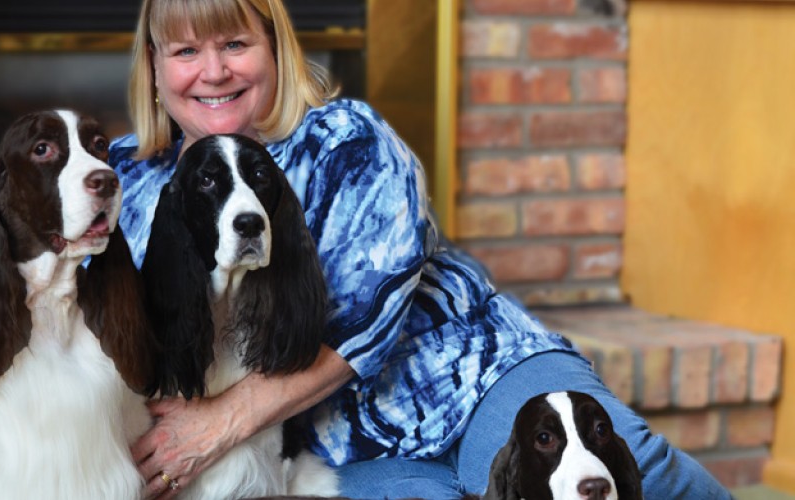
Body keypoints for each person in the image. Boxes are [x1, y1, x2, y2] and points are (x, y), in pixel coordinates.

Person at [109, 0, 732, 498]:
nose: (213, 71)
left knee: (627, 474)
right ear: (155, 66)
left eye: (235, 45)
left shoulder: (347, 141)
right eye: (187, 50)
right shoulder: (126, 184)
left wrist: (220, 424)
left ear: (274, 50)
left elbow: (367, 321)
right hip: (340, 449)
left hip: (473, 374)